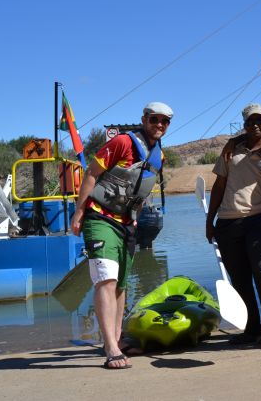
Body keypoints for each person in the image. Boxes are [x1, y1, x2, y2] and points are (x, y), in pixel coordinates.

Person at [71, 101, 172, 369]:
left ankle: (116, 338)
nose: (159, 125)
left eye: (165, 121)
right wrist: (78, 213)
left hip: (127, 223)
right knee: (106, 279)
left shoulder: (158, 156)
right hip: (99, 217)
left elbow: (142, 190)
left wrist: (136, 219)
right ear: (144, 119)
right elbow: (92, 174)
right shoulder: (123, 143)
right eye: (154, 119)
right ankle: (111, 349)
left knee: (122, 285)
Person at [205, 103, 261, 351]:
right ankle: (252, 329)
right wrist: (209, 221)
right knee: (240, 279)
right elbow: (219, 186)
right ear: (244, 125)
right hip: (227, 222)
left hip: (258, 219)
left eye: (260, 121)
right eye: (250, 122)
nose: (256, 126)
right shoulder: (231, 149)